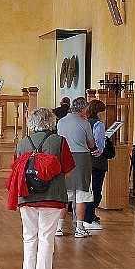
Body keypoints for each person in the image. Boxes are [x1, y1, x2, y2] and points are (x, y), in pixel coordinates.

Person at [15, 108, 75, 269]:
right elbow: (68, 169)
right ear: (52, 122)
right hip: (52, 196)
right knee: (46, 239)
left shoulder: (22, 144)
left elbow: (17, 169)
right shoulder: (59, 142)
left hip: (27, 196)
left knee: (29, 236)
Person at [55, 97, 100, 237]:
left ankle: (58, 227)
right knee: (81, 194)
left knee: (64, 194)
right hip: (81, 160)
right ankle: (79, 228)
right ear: (82, 110)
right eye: (86, 108)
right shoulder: (84, 123)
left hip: (65, 158)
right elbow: (91, 144)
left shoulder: (60, 122)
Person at [84, 98, 108, 231]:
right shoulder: (99, 124)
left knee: (87, 189)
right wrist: (99, 150)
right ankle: (88, 217)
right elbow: (99, 143)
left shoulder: (85, 122)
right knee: (96, 190)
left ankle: (87, 215)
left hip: (85, 160)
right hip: (96, 161)